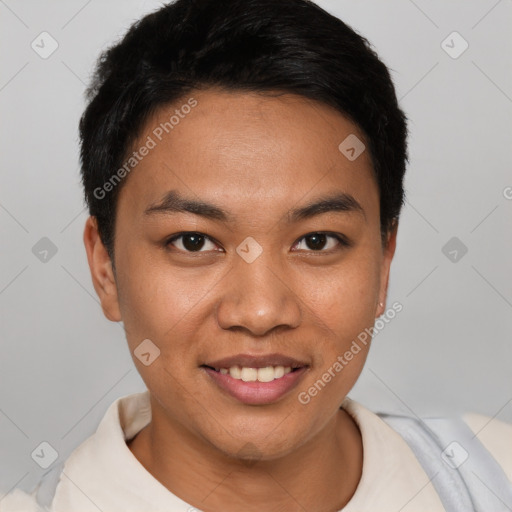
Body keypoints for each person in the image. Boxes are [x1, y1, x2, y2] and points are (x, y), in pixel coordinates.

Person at [1, 0, 511, 510]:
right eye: (193, 241)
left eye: (317, 241)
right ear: (105, 268)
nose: (261, 312)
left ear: (384, 262)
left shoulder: (493, 474)